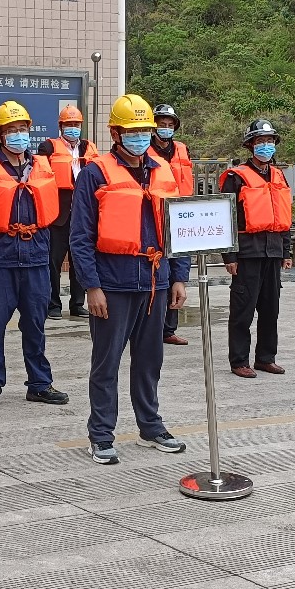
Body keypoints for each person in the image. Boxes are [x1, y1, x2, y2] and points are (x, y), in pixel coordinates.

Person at [70, 94, 190, 465]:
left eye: (144, 131)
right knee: (106, 363)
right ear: (115, 133)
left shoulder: (162, 171)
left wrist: (179, 277)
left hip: (155, 280)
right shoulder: (95, 173)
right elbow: (80, 236)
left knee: (150, 360)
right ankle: (101, 435)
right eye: (132, 131)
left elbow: (177, 228)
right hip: (113, 283)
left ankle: (151, 427)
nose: (139, 137)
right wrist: (92, 286)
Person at [0, 100, 69, 413]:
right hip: (0, 259)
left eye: (22, 128)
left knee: (35, 324)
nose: (18, 134)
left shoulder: (43, 167)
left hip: (36, 258)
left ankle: (40, 384)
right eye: (11, 129)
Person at [220, 119, 294, 378]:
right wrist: (229, 256)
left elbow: (284, 216)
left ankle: (265, 358)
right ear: (250, 145)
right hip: (247, 253)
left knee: (270, 309)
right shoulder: (236, 177)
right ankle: (239, 360)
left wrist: (286, 251)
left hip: (273, 252)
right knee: (243, 310)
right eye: (261, 141)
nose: (266, 146)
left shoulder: (279, 176)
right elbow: (226, 218)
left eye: (270, 141)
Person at [38, 103, 97, 319]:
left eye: (76, 125)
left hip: (84, 211)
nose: (73, 128)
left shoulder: (89, 148)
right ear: (61, 126)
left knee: (80, 259)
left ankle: (77, 304)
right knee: (53, 261)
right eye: (69, 124)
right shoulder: (48, 148)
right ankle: (53, 304)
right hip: (58, 214)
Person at [150, 102, 197, 346]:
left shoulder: (181, 149)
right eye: (162, 124)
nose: (166, 128)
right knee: (158, 272)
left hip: (180, 213)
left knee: (179, 270)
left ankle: (169, 329)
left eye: (170, 125)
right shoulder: (144, 150)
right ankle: (150, 328)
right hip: (154, 214)